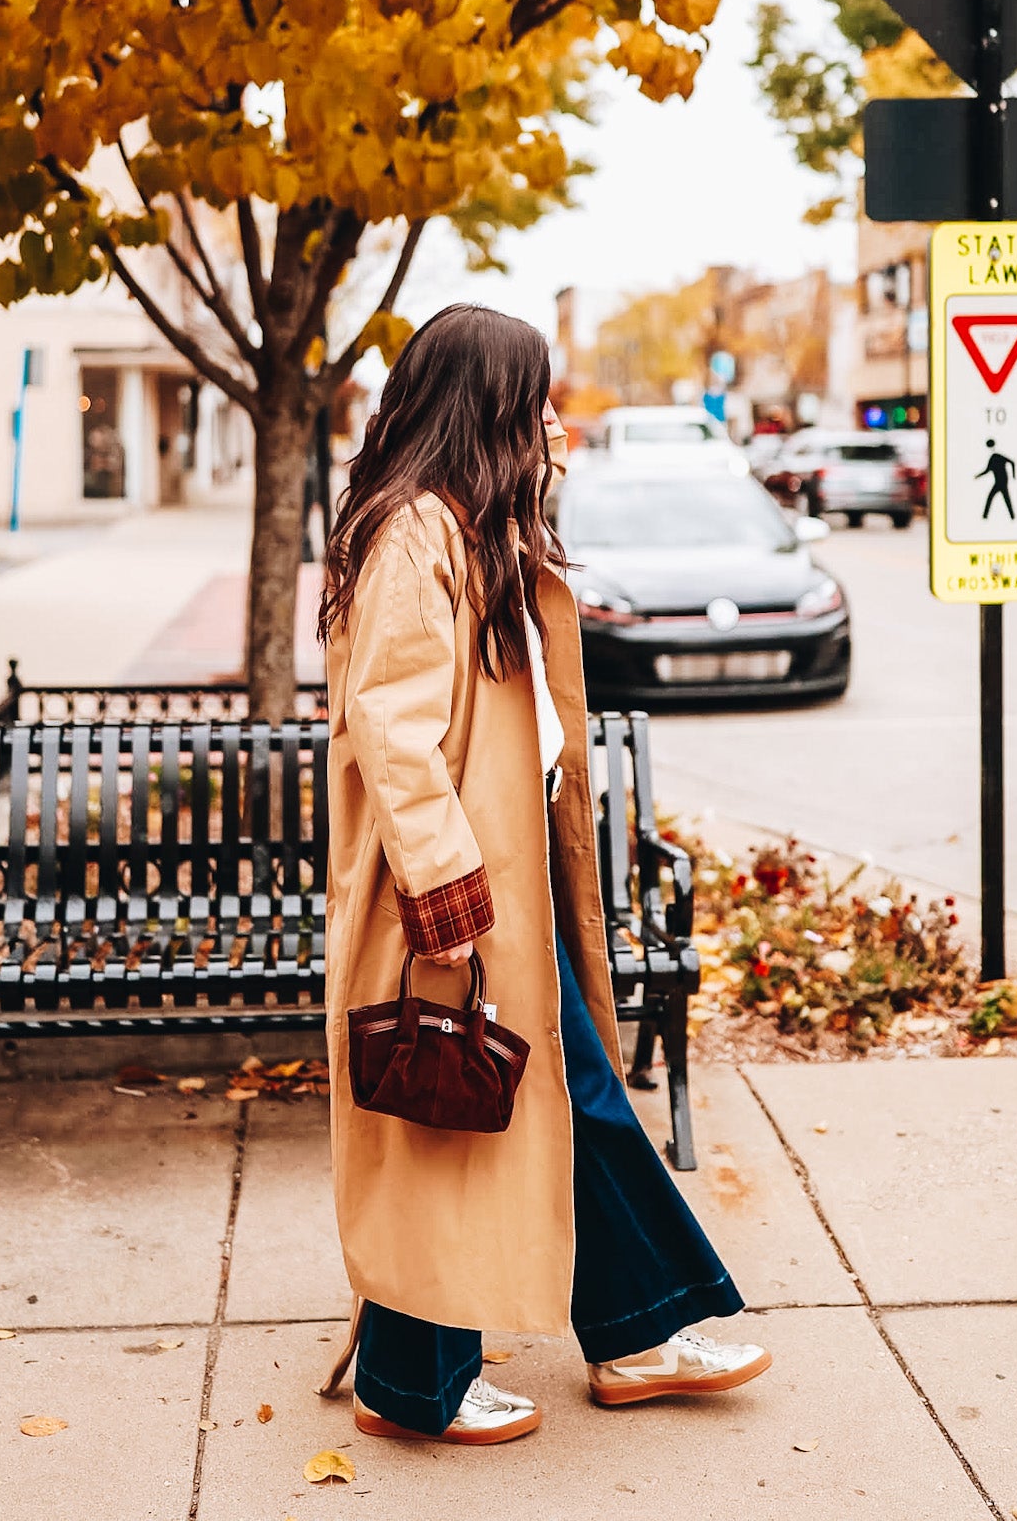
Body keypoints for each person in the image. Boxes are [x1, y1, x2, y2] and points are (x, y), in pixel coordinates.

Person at [316, 304, 770, 1445]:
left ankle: (631, 1330)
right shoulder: (416, 533)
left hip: (503, 885)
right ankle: (417, 1380)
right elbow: (394, 728)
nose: (553, 424)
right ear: (488, 408)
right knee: (449, 1115)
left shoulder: (467, 522)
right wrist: (447, 911)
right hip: (455, 897)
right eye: (537, 402)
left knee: (562, 1100)